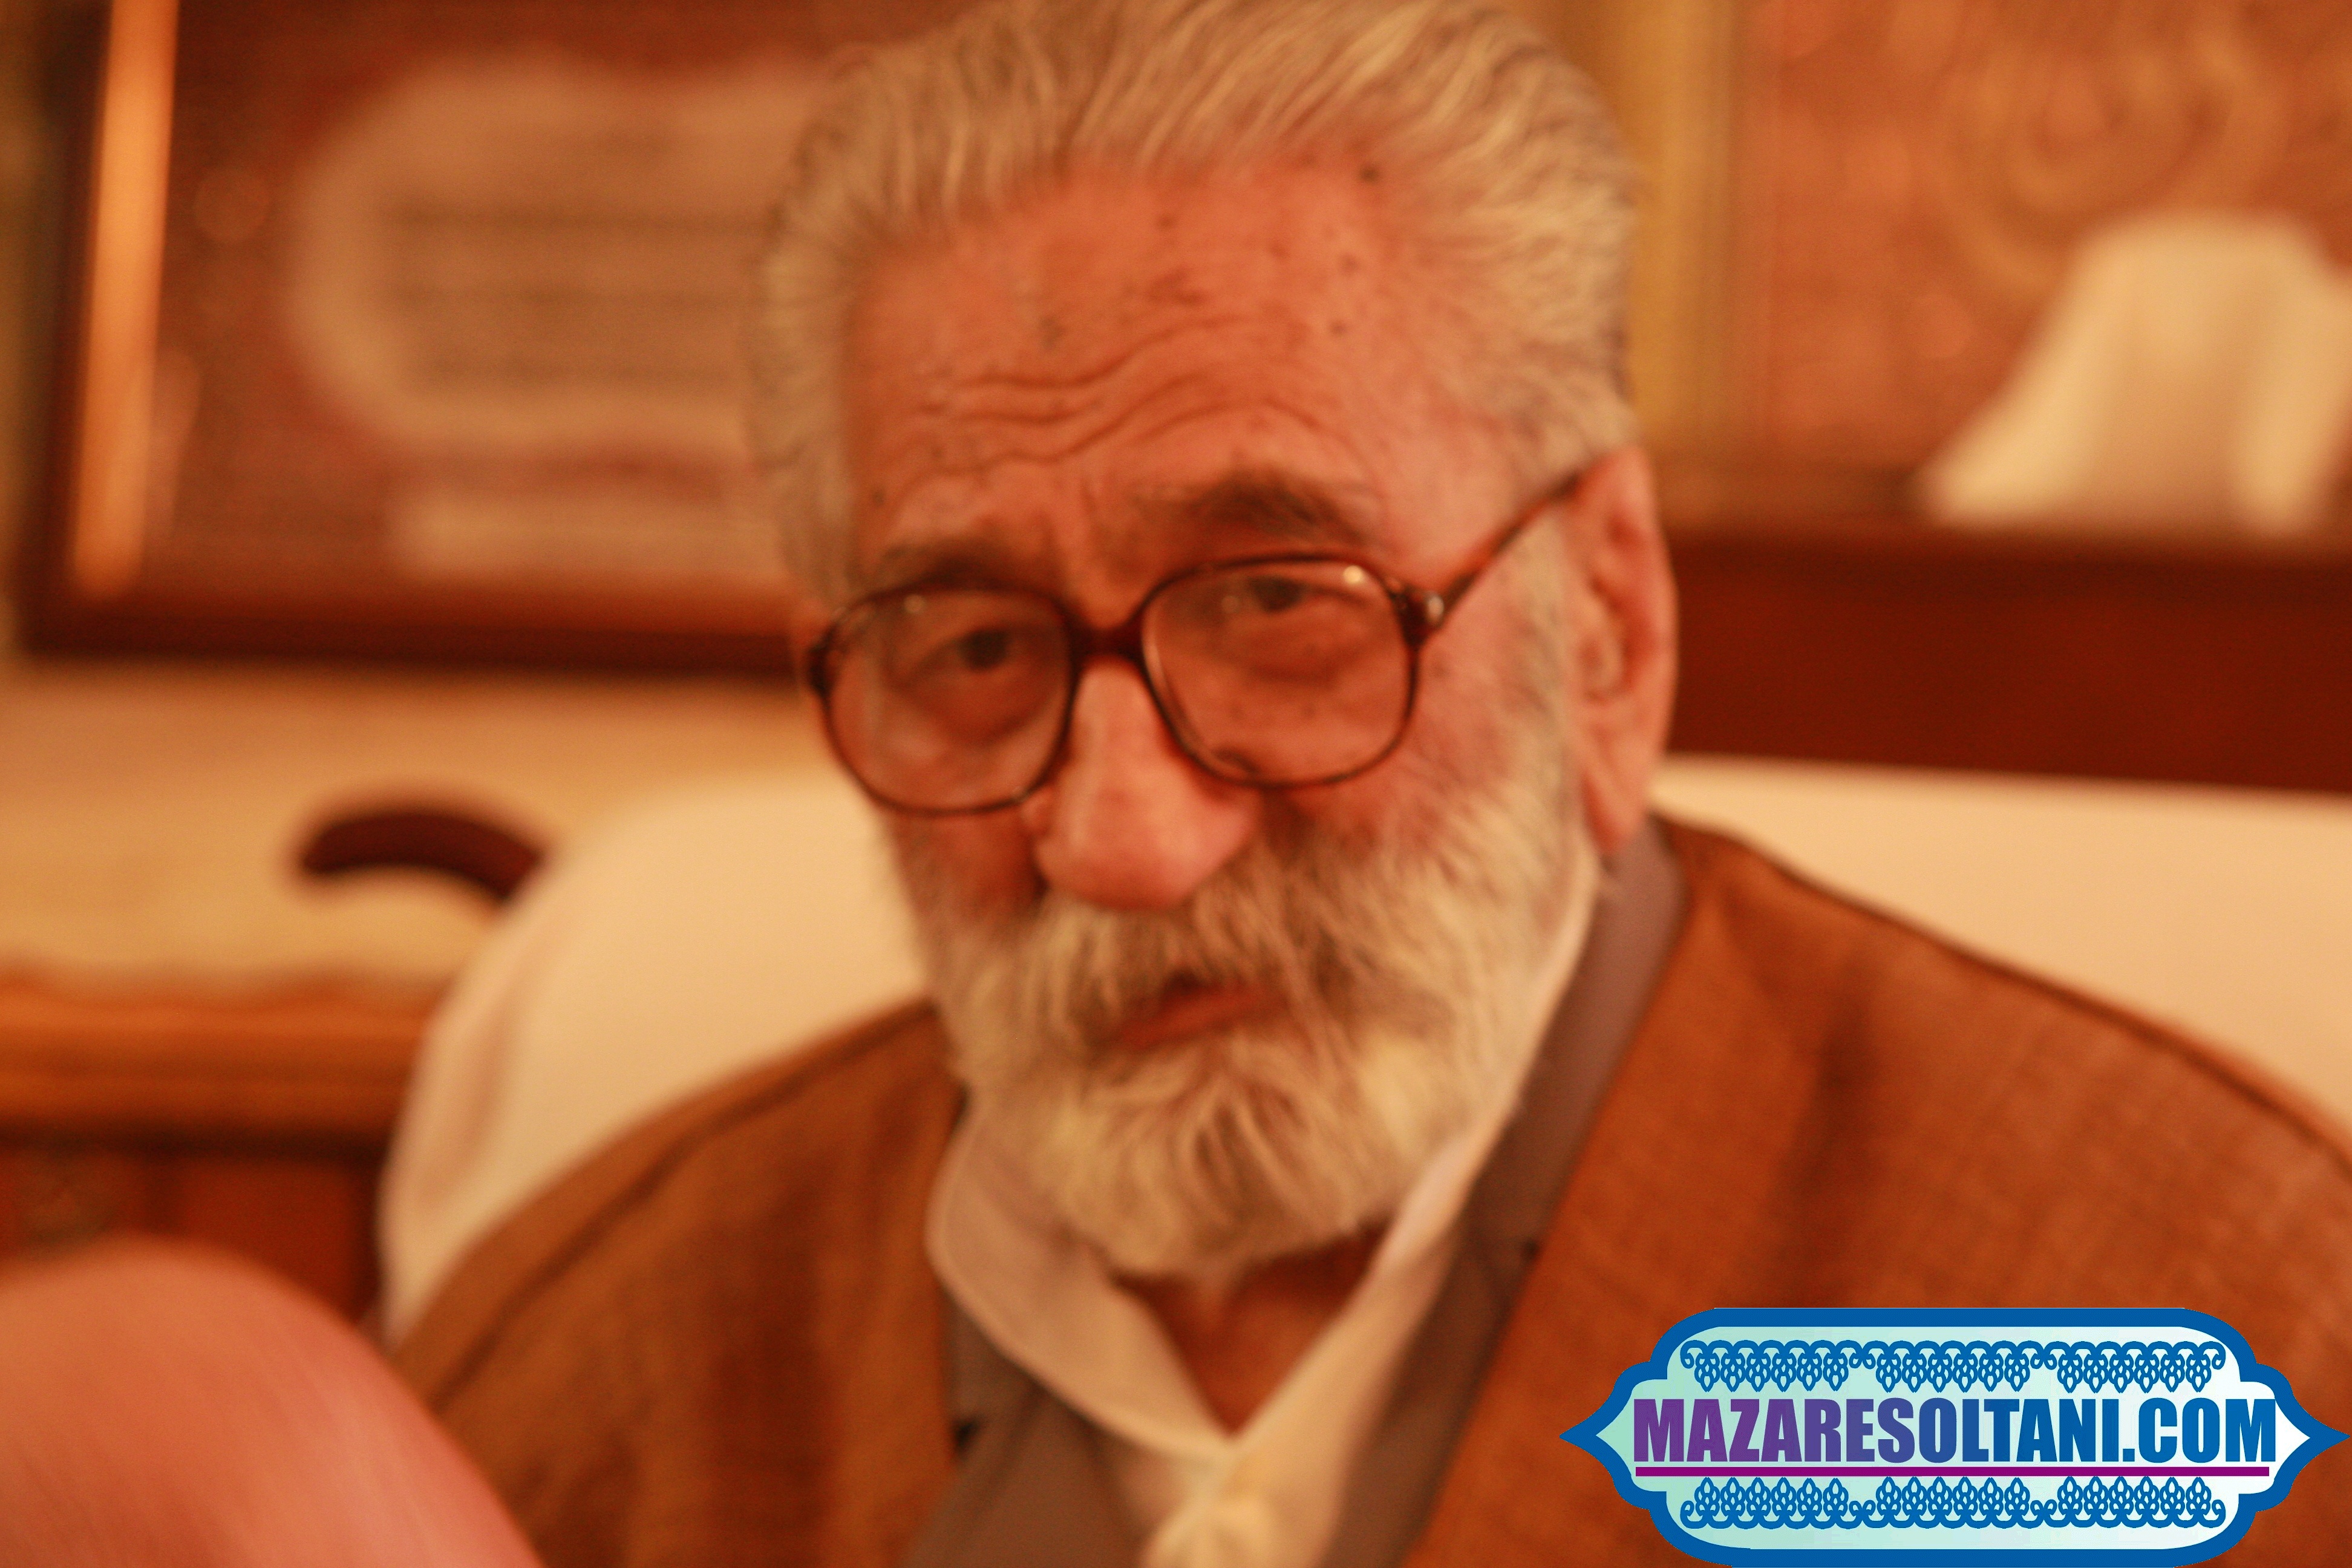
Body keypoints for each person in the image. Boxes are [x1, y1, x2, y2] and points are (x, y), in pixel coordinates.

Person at [4, 0, 2347, 1563]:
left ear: (1611, 626)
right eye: (972, 648)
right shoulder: (585, 1387)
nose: (1119, 839)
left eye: (1282, 601)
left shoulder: (2180, 1340)